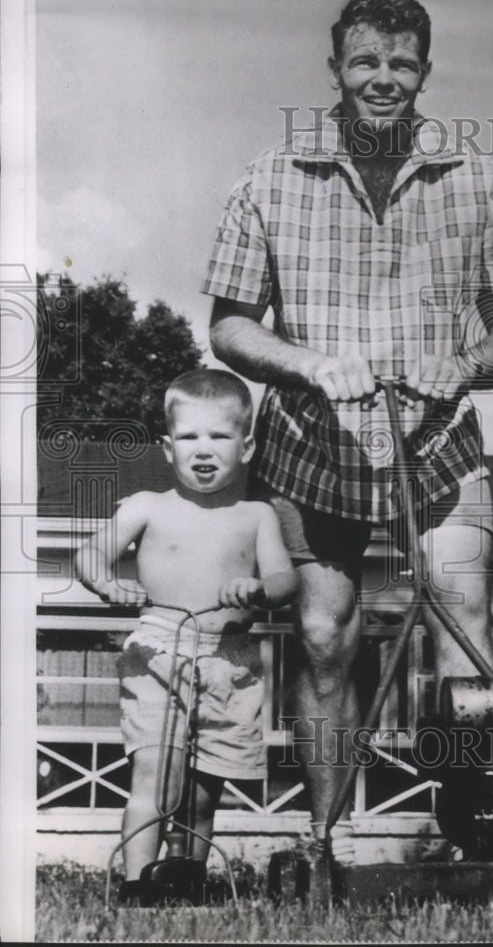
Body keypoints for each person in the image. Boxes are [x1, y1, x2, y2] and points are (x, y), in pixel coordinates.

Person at [202, 0, 493, 852]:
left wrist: (462, 365)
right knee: (321, 638)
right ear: (335, 70)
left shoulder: (478, 178)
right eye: (364, 63)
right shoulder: (270, 176)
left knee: (462, 634)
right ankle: (326, 844)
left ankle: (481, 845)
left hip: (438, 450)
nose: (381, 80)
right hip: (312, 452)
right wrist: (308, 364)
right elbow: (230, 327)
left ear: (423, 72)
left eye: (399, 64)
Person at [75, 369, 298, 892]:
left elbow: (286, 580)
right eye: (189, 436)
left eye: (219, 436)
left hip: (230, 661)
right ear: (167, 446)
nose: (204, 449)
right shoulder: (147, 506)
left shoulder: (256, 515)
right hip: (159, 654)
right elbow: (89, 555)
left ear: (246, 447)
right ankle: (136, 884)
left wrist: (260, 589)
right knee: (155, 776)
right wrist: (107, 584)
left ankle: (186, 879)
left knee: (202, 792)